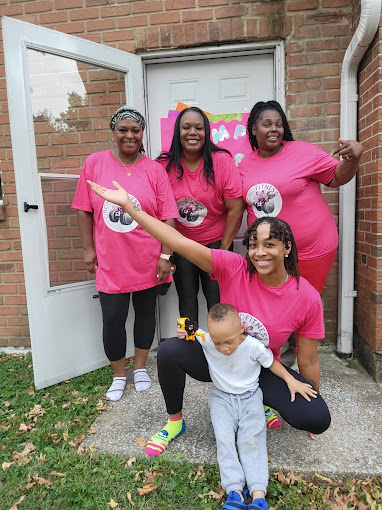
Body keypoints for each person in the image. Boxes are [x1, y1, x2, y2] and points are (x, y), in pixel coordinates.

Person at [85, 178, 332, 452]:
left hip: (258, 367)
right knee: (170, 351)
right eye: (253, 244)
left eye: (270, 244)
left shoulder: (306, 297)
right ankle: (175, 422)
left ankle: (257, 400)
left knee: (317, 418)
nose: (260, 253)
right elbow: (177, 241)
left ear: (287, 248)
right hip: (217, 359)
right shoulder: (233, 267)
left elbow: (308, 359)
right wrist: (131, 208)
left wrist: (312, 391)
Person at [72, 106, 178, 401]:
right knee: (113, 318)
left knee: (145, 314)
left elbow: (168, 216)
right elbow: (83, 209)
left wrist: (165, 256)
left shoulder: (154, 170)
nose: (130, 135)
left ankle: (141, 366)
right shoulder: (95, 163)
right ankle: (120, 374)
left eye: (136, 130)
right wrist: (87, 249)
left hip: (148, 259)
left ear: (143, 134)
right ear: (114, 132)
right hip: (110, 261)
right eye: (123, 130)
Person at [176, 303, 317, 510]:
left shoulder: (253, 346)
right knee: (224, 440)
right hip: (221, 399)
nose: (224, 348)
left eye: (229, 341)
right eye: (218, 343)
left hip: (251, 398)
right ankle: (234, 492)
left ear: (241, 328)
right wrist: (183, 331)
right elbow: (192, 333)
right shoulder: (207, 339)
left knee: (252, 440)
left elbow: (271, 364)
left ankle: (258, 495)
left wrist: (290, 380)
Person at [240, 100, 364, 294]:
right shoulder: (244, 165)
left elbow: (338, 176)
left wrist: (354, 157)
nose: (274, 129)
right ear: (254, 129)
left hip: (312, 251)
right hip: (268, 253)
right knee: (274, 304)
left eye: (278, 124)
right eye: (267, 124)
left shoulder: (304, 152)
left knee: (306, 304)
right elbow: (236, 204)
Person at [157, 106, 244, 322]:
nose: (193, 132)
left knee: (217, 300)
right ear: (178, 132)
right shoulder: (164, 166)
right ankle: (191, 347)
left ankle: (220, 349)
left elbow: (236, 207)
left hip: (215, 244)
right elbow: (159, 211)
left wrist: (223, 250)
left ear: (207, 132)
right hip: (181, 245)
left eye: (199, 127)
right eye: (186, 127)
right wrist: (165, 254)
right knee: (186, 298)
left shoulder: (222, 161)